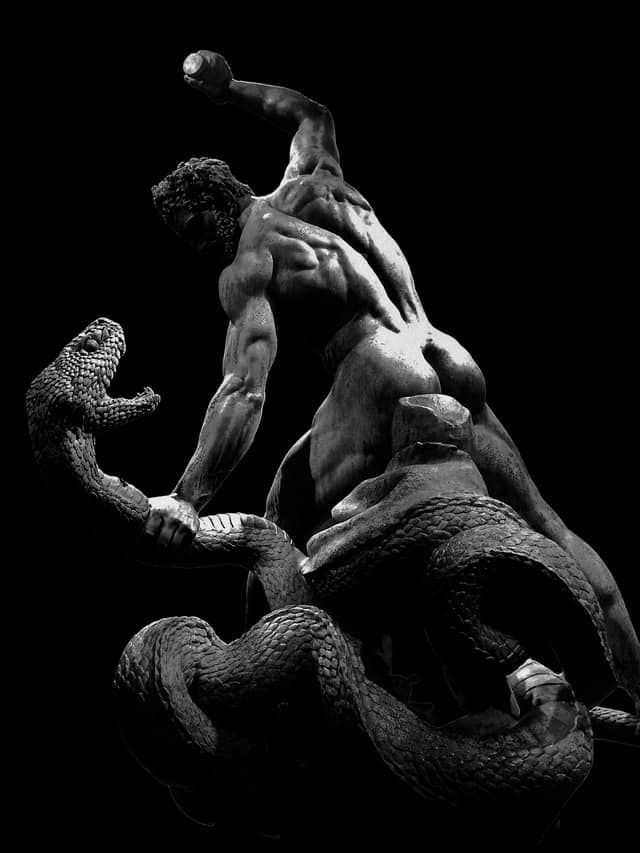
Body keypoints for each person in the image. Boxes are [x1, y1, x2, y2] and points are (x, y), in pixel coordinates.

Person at [146, 50, 639, 704]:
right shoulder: (317, 180)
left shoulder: (248, 262)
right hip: (447, 354)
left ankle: (304, 697)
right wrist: (231, 88)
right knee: (545, 520)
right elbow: (310, 114)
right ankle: (622, 689)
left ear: (215, 202)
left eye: (192, 230)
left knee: (283, 518)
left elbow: (244, 387)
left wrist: (187, 496)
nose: (196, 246)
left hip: (379, 370)